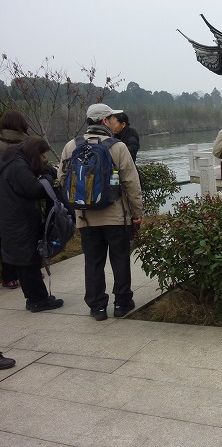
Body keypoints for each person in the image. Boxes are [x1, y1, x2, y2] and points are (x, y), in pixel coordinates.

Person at [58, 103, 143, 321]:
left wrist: (77, 207)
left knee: (93, 262)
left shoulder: (71, 145)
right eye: (112, 119)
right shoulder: (117, 147)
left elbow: (62, 179)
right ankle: (122, 303)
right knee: (120, 259)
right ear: (105, 121)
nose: (114, 122)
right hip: (116, 216)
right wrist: (137, 213)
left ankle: (97, 307)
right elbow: (131, 183)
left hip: (86, 218)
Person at [0, 135, 65, 312]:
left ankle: (33, 298)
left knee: (23, 261)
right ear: (34, 152)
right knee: (28, 260)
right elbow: (34, 189)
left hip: (11, 220)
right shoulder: (18, 166)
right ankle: (38, 299)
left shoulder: (10, 160)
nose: (43, 158)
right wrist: (48, 178)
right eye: (42, 155)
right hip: (20, 221)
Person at [0, 110, 30, 289]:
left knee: (4, 238)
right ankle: (25, 273)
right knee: (21, 236)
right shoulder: (26, 144)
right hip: (18, 197)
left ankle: (8, 276)